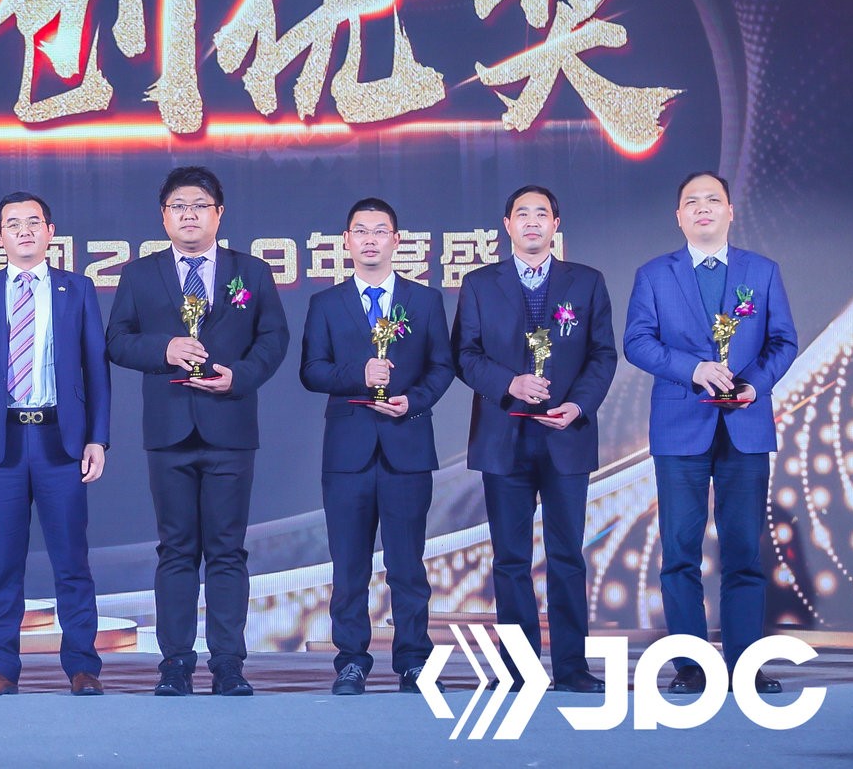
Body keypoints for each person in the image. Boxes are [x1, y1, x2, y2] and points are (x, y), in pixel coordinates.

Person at [105, 165, 289, 697]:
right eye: (179, 206)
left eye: (200, 206)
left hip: (230, 426)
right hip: (169, 431)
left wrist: (240, 377)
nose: (189, 215)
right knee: (176, 549)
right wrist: (163, 349)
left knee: (228, 550)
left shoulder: (250, 272)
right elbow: (116, 340)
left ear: (219, 214)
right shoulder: (140, 274)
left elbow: (274, 338)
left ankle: (228, 663)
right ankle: (176, 663)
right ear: (164, 216)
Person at [624, 170, 797, 694]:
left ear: (729, 211)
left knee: (744, 550)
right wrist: (692, 369)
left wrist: (753, 386)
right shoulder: (654, 275)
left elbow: (783, 341)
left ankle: (745, 663)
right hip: (681, 424)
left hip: (745, 425)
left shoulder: (761, 271)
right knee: (680, 551)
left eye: (713, 200)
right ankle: (691, 665)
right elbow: (637, 341)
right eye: (692, 202)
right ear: (678, 216)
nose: (703, 208)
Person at [453, 185, 616, 694]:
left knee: (567, 556)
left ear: (555, 224)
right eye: (521, 214)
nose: (531, 222)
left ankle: (572, 667)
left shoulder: (586, 282)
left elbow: (602, 354)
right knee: (510, 560)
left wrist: (579, 405)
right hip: (504, 435)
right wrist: (510, 384)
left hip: (566, 435)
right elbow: (465, 355)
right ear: (507, 225)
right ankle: (518, 669)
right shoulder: (480, 284)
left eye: (541, 213)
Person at [0, 192, 110, 697]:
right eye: (13, 223)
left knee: (72, 561)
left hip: (60, 440)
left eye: (33, 222)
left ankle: (82, 666)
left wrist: (98, 437)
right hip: (1, 441)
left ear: (50, 231)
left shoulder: (76, 288)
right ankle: (0, 666)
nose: (24, 230)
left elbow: (96, 368)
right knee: (4, 561)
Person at [299, 197, 454, 696]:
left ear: (396, 240)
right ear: (346, 241)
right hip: (347, 453)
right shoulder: (326, 304)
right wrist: (358, 375)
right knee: (349, 566)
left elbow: (443, 367)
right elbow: (311, 371)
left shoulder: (425, 300)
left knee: (407, 566)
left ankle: (413, 661)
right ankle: (351, 661)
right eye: (361, 231)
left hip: (407, 447)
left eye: (380, 231)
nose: (370, 240)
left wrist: (413, 401)